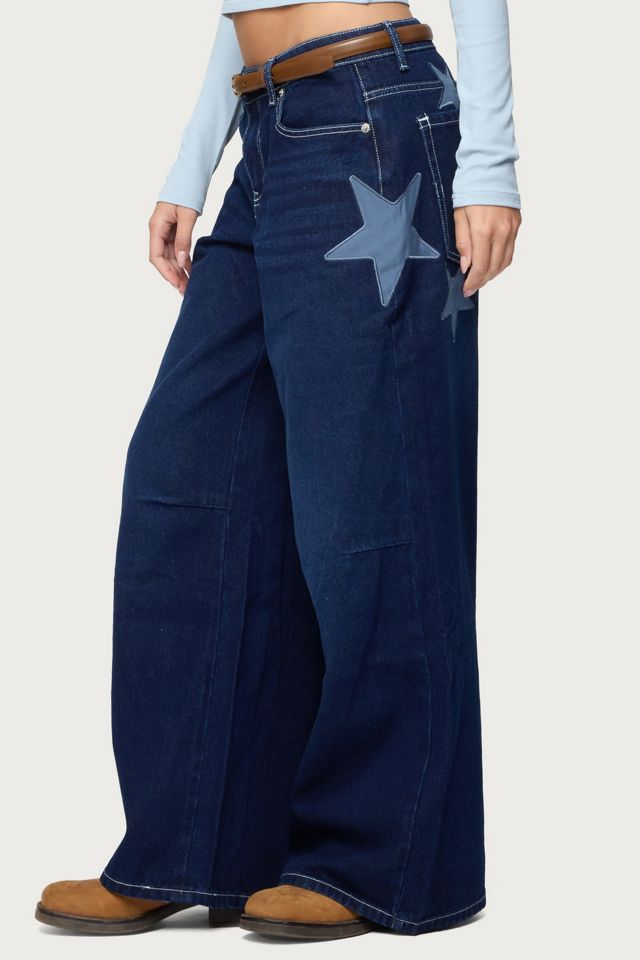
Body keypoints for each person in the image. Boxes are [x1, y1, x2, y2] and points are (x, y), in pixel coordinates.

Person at [35, 0, 521, 941]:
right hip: (269, 133)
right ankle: (198, 848)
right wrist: (194, 161)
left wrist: (491, 165)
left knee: (371, 501)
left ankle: (376, 861)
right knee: (192, 482)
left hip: (375, 119)